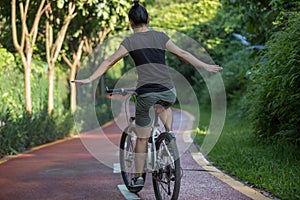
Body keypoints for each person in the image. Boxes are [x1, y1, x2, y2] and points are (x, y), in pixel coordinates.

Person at [72, 0, 222, 188]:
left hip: (147, 93)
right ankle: (168, 139)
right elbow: (182, 53)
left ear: (130, 22)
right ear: (148, 19)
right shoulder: (160, 36)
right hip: (168, 91)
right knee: (165, 104)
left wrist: (89, 79)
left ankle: (138, 177)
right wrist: (206, 65)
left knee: (142, 138)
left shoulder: (130, 41)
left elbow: (110, 61)